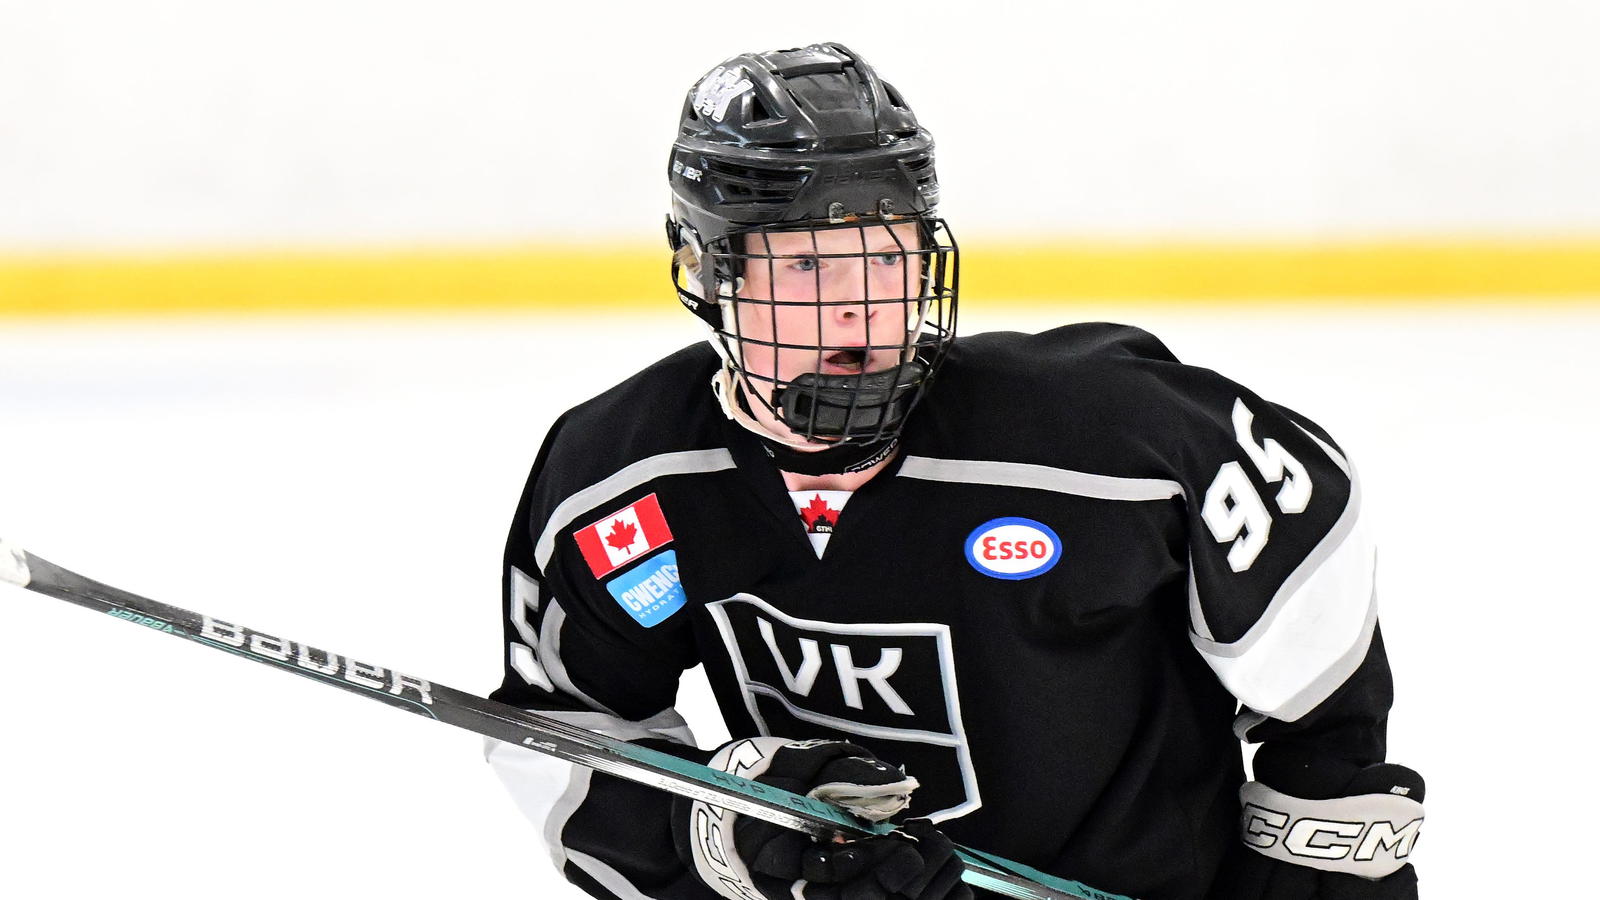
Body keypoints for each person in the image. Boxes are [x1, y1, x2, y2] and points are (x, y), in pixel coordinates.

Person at [484, 42, 1424, 900]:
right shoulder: (619, 483)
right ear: (705, 267)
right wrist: (736, 833)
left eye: (889, 259)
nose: (860, 310)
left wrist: (1321, 844)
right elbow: (569, 740)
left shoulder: (1111, 446)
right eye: (808, 269)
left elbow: (1312, 589)